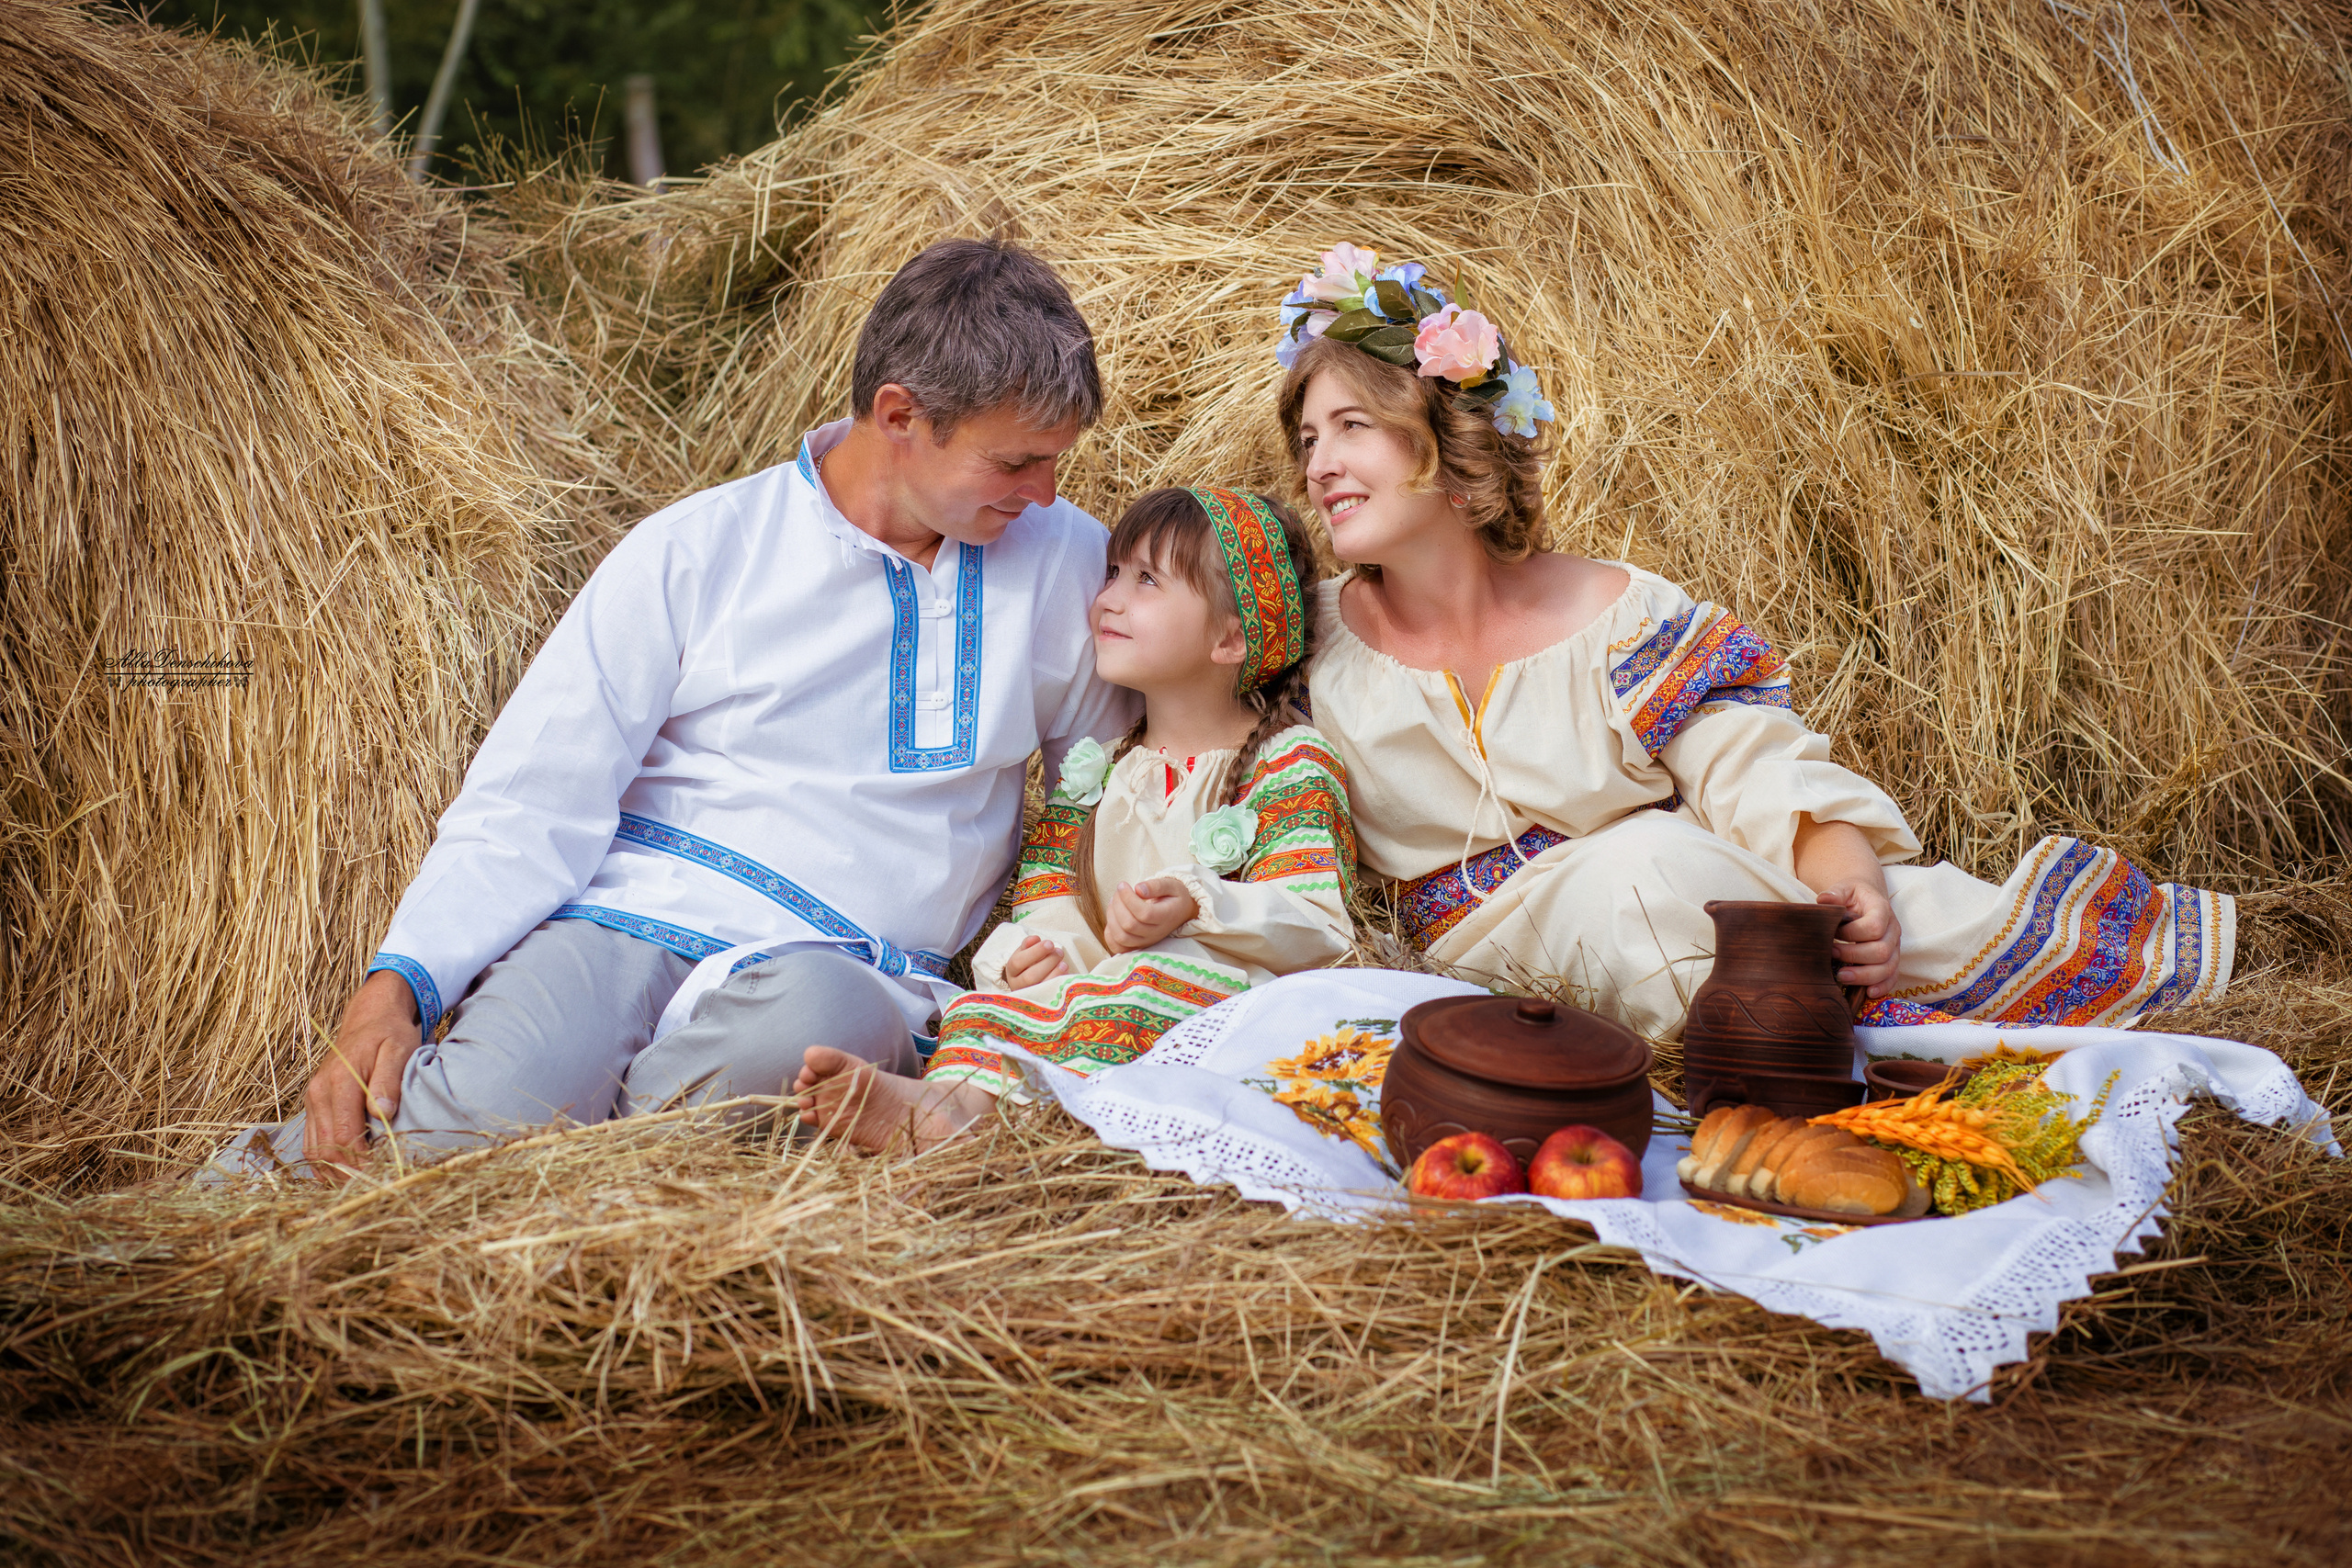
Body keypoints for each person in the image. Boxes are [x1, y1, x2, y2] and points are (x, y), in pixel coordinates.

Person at [207, 238, 1138, 1181]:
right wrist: (398, 984)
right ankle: (208, 1216)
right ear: (899, 414)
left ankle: (564, 1183)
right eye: (1017, 462)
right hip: (624, 922)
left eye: (1055, 462)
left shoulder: (1066, 561)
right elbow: (535, 794)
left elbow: (1109, 786)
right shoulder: (698, 549)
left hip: (850, 970)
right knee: (476, 1124)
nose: (1047, 493)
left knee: (812, 1039)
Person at [1271, 243, 2233, 1041]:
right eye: (1307, 438)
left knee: (1905, 906)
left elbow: (1750, 766)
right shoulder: (1310, 642)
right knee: (1643, 880)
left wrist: (1847, 883)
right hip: (1534, 928)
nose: (1319, 464)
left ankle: (2102, 975)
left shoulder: (1615, 611)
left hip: (1685, 869)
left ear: (1447, 438)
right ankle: (1837, 1033)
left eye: (1351, 427)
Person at [795, 486, 1357, 1152]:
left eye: (1146, 580)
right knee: (988, 1007)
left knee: (1147, 982)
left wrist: (1197, 902)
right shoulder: (1095, 775)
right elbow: (1045, 904)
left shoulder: (1286, 762)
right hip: (1101, 993)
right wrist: (1034, 958)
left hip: (1225, 1011)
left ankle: (967, 1117)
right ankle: (950, 1110)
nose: (1108, 597)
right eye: (1113, 572)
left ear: (1231, 637)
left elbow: (1317, 921)